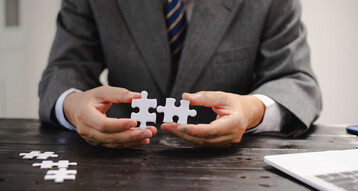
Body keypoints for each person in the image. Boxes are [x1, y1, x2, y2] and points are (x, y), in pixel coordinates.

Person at [39, 0, 322, 148]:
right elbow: (65, 68)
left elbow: (297, 81)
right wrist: (74, 107)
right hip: (121, 167)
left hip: (230, 177)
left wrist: (252, 110)